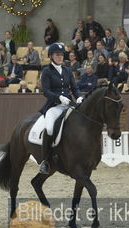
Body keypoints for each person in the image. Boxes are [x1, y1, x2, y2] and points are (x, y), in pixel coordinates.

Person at [38, 43, 82, 174]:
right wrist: (59, 98)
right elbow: (46, 91)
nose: (60, 57)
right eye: (57, 55)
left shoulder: (68, 70)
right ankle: (45, 161)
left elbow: (74, 88)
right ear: (51, 56)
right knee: (50, 129)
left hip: (69, 104)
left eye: (62, 55)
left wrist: (79, 97)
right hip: (54, 106)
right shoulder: (46, 71)